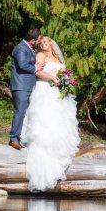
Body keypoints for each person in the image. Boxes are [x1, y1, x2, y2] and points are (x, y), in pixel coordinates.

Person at [21, 36, 80, 192]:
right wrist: (52, 77)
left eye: (46, 42)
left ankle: (58, 158)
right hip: (44, 90)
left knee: (58, 124)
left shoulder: (57, 57)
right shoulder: (41, 55)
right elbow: (37, 72)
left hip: (57, 94)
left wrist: (66, 80)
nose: (43, 45)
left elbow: (63, 72)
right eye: (41, 43)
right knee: (44, 124)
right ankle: (43, 164)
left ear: (52, 43)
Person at [9, 28, 42, 150]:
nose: (39, 41)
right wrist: (35, 68)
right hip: (21, 86)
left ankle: (22, 138)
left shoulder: (29, 48)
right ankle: (13, 138)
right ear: (33, 40)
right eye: (38, 39)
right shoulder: (20, 48)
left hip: (27, 85)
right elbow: (22, 64)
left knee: (26, 113)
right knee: (20, 112)